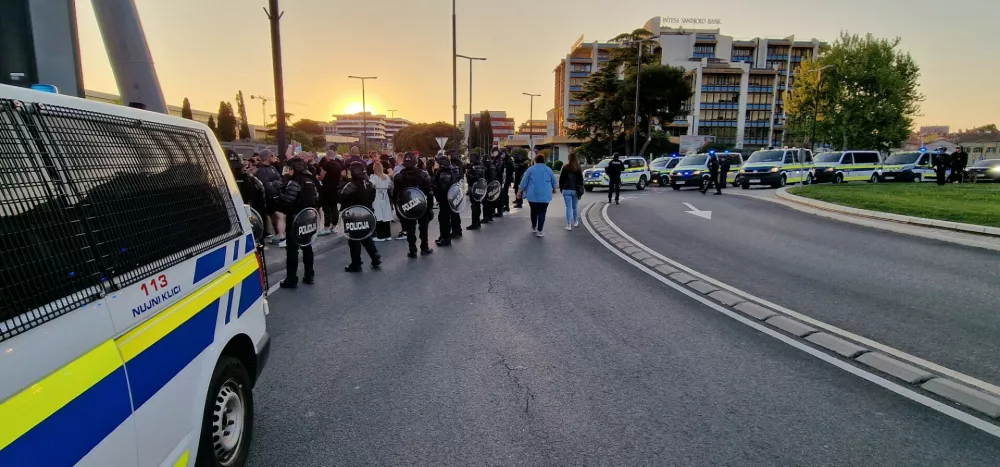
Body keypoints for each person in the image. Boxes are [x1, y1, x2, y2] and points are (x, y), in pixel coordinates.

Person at [278, 158, 318, 288]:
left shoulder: (294, 182)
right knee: (307, 247)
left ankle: (291, 278)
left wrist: (279, 194)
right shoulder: (310, 180)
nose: (288, 171)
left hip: (295, 219)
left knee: (292, 250)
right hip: (308, 219)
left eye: (289, 168)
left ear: (294, 169)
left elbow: (287, 202)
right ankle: (309, 275)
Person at [341, 162, 382, 272]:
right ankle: (375, 256)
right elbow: (372, 197)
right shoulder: (369, 183)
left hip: (354, 215)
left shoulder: (351, 185)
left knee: (354, 239)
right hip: (367, 213)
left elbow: (342, 198)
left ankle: (356, 263)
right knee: (365, 236)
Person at [393, 152, 435, 258]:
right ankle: (424, 248)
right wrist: (429, 206)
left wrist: (399, 210)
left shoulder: (399, 176)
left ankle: (412, 251)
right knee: (423, 227)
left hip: (408, 206)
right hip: (422, 204)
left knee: (410, 228)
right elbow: (429, 192)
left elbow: (396, 196)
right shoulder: (423, 174)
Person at [518, 153, 558, 237]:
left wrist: (519, 191)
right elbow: (554, 181)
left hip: (532, 195)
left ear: (535, 160)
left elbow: (524, 182)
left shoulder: (530, 170)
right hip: (545, 195)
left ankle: (533, 226)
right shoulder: (548, 169)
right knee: (542, 212)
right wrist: (554, 189)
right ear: (544, 160)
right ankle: (540, 231)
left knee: (533, 211)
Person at [255, 149, 286, 245]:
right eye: (272, 155)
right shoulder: (260, 170)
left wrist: (276, 185)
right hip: (269, 196)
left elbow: (280, 179)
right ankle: (282, 237)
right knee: (280, 215)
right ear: (266, 157)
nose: (274, 157)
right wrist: (275, 185)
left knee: (276, 216)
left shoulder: (273, 167)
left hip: (276, 194)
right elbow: (266, 184)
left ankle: (279, 235)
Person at [432, 153, 458, 247]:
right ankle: (443, 236)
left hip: (445, 200)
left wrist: (432, 185)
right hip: (445, 200)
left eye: (437, 162)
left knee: (444, 219)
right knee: (442, 218)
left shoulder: (444, 174)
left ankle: (446, 238)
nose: (435, 164)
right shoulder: (443, 172)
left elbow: (442, 189)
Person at [318, 149, 343, 236]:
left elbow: (322, 175)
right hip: (335, 188)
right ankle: (334, 226)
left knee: (326, 208)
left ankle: (326, 227)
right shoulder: (338, 165)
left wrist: (318, 178)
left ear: (326, 156)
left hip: (326, 188)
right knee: (334, 207)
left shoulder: (327, 164)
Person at [559, 151, 584, 230]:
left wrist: (561, 188)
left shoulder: (565, 167)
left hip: (566, 189)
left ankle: (568, 224)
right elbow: (581, 180)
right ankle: (576, 221)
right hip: (575, 190)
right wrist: (581, 189)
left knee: (568, 207)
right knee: (575, 207)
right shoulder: (578, 167)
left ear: (569, 158)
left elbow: (561, 179)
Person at [370, 161, 394, 241]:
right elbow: (390, 185)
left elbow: (370, 185)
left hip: (377, 198)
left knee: (378, 216)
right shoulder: (386, 177)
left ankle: (380, 236)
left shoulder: (373, 177)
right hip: (385, 197)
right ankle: (388, 235)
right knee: (386, 216)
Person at [466, 152, 486, 230]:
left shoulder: (475, 167)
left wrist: (469, 176)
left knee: (475, 206)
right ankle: (477, 222)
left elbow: (476, 178)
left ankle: (475, 223)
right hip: (479, 188)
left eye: (472, 156)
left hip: (474, 188)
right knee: (477, 205)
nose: (471, 158)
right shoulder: (481, 166)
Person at [447, 150, 464, 238]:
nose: (448, 156)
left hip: (453, 189)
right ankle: (458, 230)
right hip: (457, 188)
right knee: (455, 211)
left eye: (448, 155)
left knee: (453, 212)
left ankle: (456, 231)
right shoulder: (458, 162)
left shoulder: (453, 164)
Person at [482, 149, 497, 224]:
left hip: (487, 186)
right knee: (491, 201)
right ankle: (490, 216)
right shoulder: (492, 166)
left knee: (485, 203)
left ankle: (486, 217)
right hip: (492, 186)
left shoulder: (486, 167)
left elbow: (484, 177)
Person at [492, 151, 507, 218]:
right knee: (497, 197)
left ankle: (499, 211)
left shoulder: (499, 161)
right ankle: (498, 211)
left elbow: (497, 171)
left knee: (498, 197)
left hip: (498, 181)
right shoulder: (498, 161)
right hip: (498, 181)